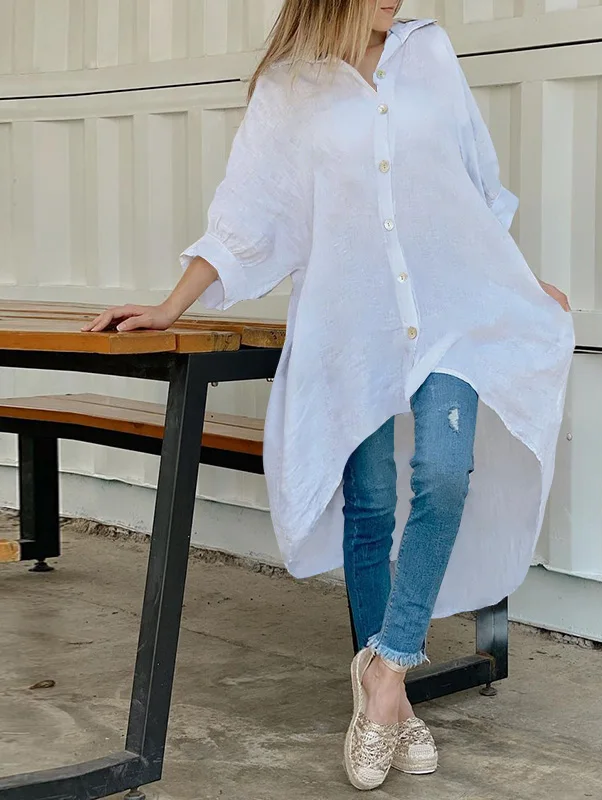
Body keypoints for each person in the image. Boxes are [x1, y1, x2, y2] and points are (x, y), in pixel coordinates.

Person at [84, 0, 574, 791]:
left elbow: (476, 184)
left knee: (445, 474)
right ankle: (391, 707)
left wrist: (514, 282)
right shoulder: (290, 87)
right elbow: (248, 215)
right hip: (352, 329)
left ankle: (385, 667)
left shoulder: (429, 53)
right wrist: (172, 306)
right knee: (370, 505)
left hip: (451, 311)